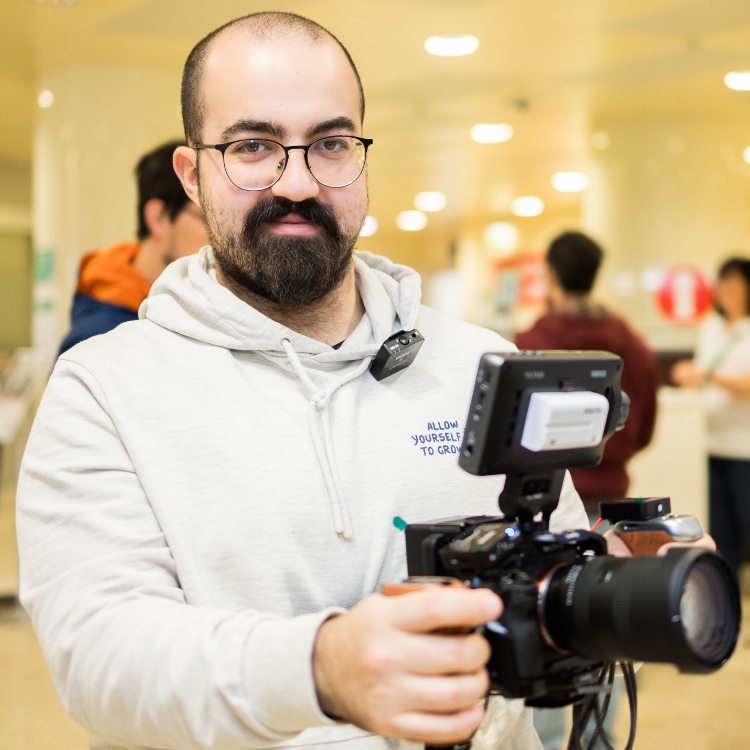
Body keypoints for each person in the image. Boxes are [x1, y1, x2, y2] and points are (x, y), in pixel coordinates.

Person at [16, 13, 711, 750]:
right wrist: (321, 669)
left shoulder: (480, 361)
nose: (298, 181)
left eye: (331, 143)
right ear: (193, 175)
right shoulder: (103, 386)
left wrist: (608, 589)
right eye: (252, 146)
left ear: (362, 159)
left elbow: (555, 576)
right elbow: (101, 656)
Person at [515, 231, 660, 750]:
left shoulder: (531, 342)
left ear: (552, 275)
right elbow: (640, 430)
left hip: (552, 513)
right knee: (607, 634)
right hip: (612, 508)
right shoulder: (630, 341)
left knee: (549, 635)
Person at [57, 140, 208, 355]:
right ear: (158, 218)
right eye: (207, 219)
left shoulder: (180, 312)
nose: (219, 236)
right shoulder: (99, 339)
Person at [671, 256, 750, 579]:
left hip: (744, 447)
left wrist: (707, 375)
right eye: (723, 283)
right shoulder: (711, 328)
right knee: (720, 529)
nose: (726, 290)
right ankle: (725, 584)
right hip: (709, 443)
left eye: (734, 283)